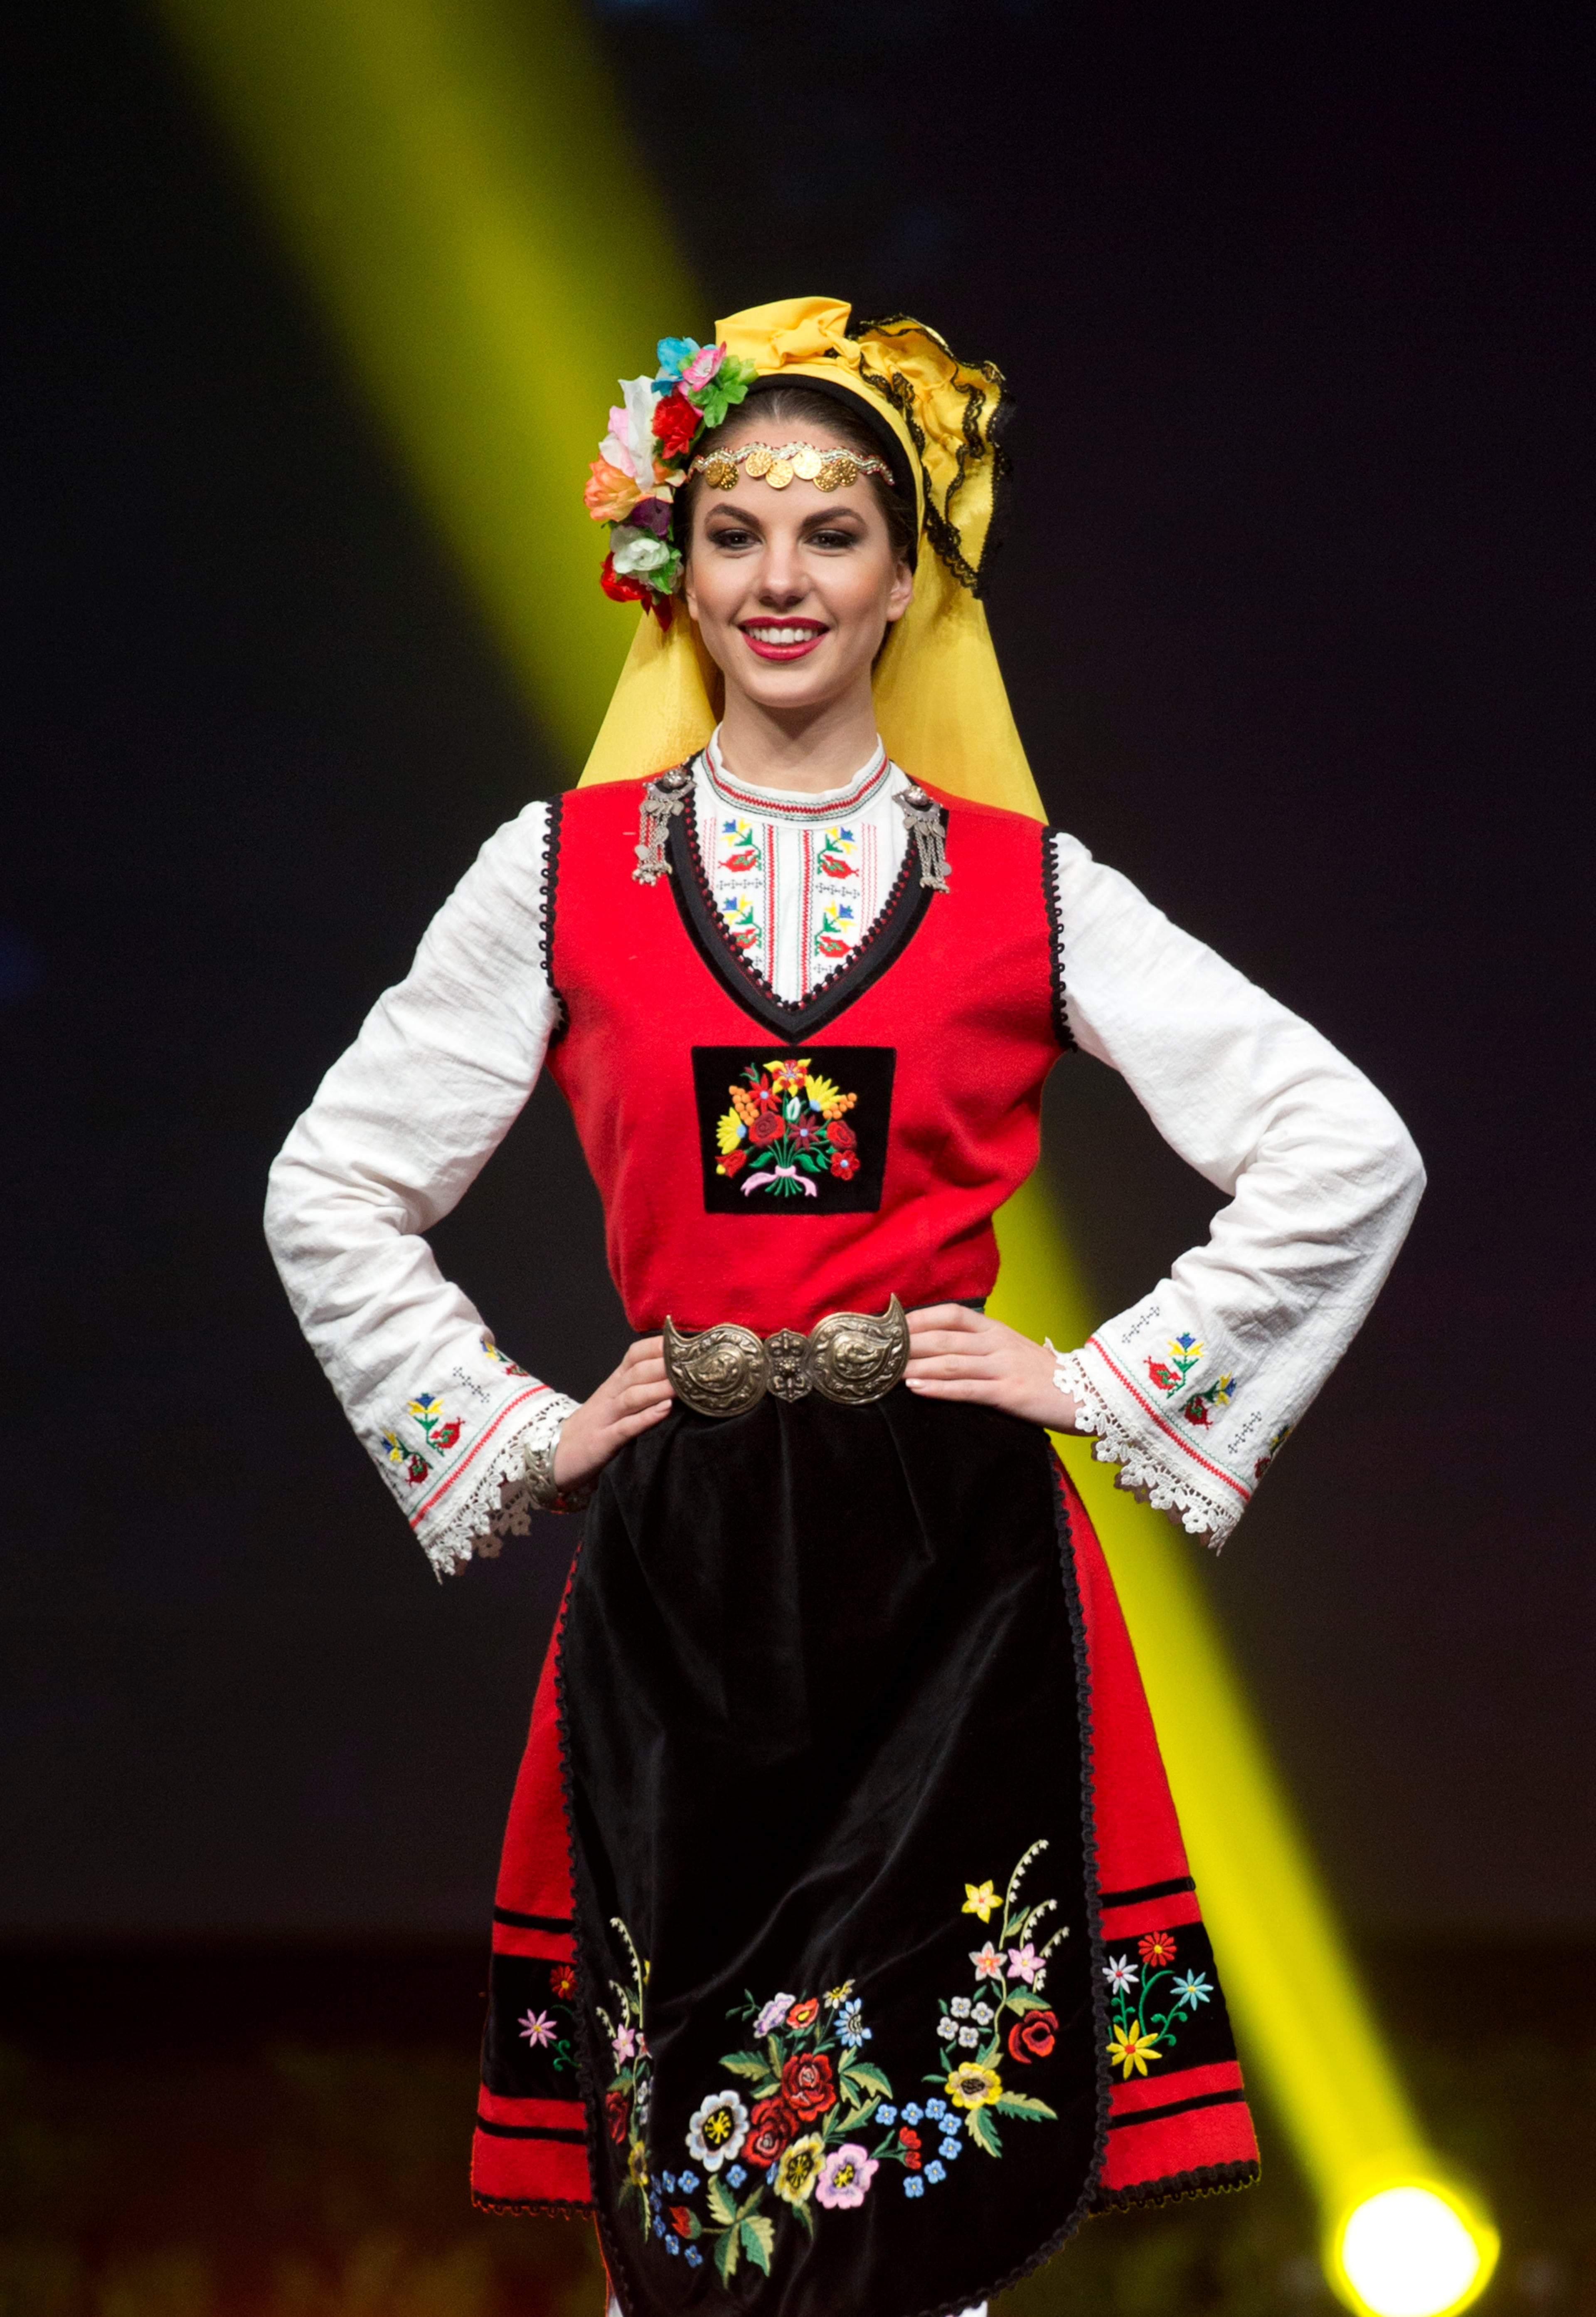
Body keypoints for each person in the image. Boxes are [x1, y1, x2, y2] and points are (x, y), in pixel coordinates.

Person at [266, 297, 1424, 2317]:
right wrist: (519, 1429)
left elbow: (1346, 1144)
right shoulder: (558, 877)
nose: (781, 579)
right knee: (691, 2218)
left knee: (915, 2216)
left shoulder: (1023, 886)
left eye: (833, 532)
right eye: (734, 531)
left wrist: (1098, 1376)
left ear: (911, 576)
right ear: (674, 567)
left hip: (942, 1567)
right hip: (687, 1566)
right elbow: (330, 1179)